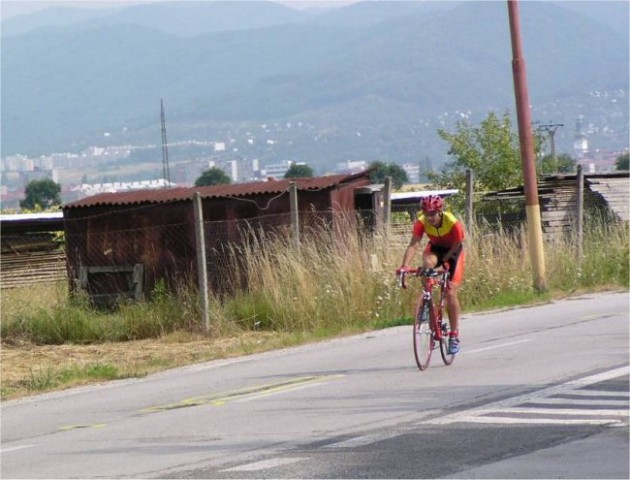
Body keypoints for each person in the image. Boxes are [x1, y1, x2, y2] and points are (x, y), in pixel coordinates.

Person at [396, 195, 466, 354]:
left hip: (453, 252)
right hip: (434, 249)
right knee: (426, 265)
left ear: (440, 211)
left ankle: (454, 335)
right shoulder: (421, 222)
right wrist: (404, 267)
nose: (429, 217)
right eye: (426, 213)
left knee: (450, 292)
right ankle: (427, 300)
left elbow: (457, 244)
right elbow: (414, 244)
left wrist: (447, 261)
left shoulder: (451, 221)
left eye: (432, 213)